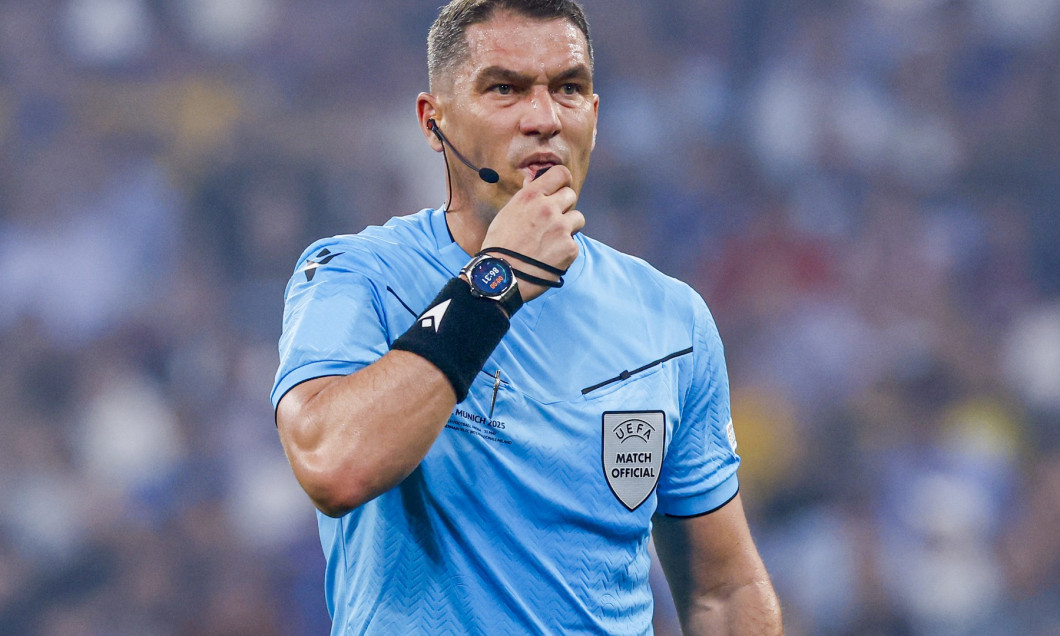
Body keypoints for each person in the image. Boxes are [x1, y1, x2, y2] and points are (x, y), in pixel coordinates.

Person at [271, 1, 783, 633]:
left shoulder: (672, 321)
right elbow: (333, 465)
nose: (544, 118)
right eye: (505, 89)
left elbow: (724, 591)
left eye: (568, 88)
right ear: (434, 122)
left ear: (593, 116)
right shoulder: (356, 276)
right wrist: (496, 280)